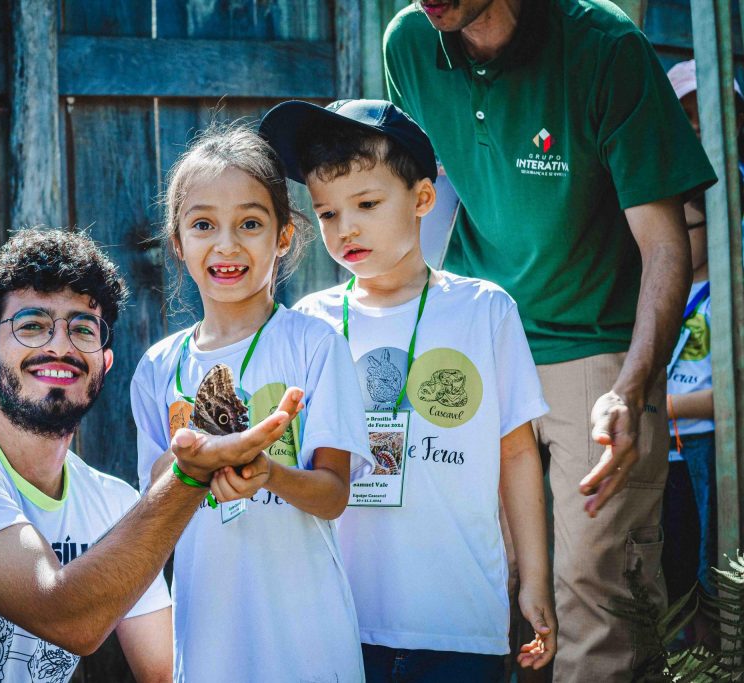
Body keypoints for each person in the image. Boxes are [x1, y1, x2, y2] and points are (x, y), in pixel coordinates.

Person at [383, 1, 717, 678]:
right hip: (478, 341)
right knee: (486, 579)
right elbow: (424, 196)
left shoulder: (606, 48)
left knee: (595, 589)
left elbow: (664, 246)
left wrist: (633, 387)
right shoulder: (409, 43)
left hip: (595, 344)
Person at [0, 228, 304, 682]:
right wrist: (190, 477)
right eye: (32, 326)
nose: (59, 347)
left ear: (104, 363)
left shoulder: (113, 504)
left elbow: (163, 671)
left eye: (82, 330)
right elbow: (66, 617)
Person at [262, 98, 556, 681]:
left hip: (459, 620)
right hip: (338, 621)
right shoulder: (307, 323)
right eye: (326, 214)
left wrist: (538, 579)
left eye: (367, 204)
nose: (346, 229)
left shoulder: (484, 310)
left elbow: (518, 453)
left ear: (422, 199)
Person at [132, 123, 372, 682]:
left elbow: (333, 495)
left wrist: (266, 472)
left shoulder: (315, 346)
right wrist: (197, 461)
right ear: (178, 242)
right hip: (210, 636)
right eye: (203, 225)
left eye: (250, 223)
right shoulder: (157, 369)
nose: (227, 245)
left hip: (308, 637)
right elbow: (155, 503)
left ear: (283, 236)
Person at [661, 59, 729, 602]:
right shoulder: (657, 287)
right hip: (664, 450)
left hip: (710, 444)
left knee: (715, 571)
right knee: (672, 567)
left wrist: (662, 406)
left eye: (689, 229)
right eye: (685, 113)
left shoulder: (730, 289)